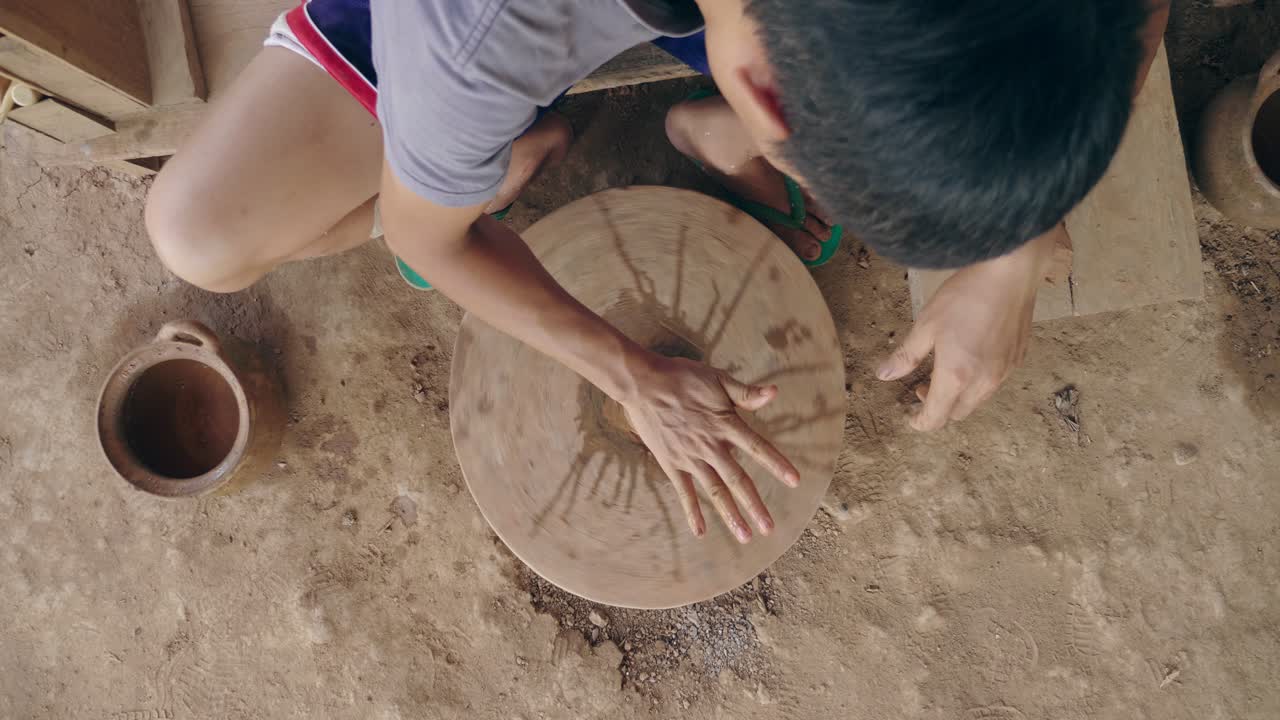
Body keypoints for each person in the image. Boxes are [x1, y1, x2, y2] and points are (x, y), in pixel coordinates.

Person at [146, 0, 1169, 544]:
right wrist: (628, 372)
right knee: (198, 235)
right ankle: (463, 163)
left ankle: (493, 158)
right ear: (774, 95)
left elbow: (1118, 14)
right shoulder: (472, 34)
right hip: (491, 27)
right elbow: (428, 246)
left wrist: (1014, 248)